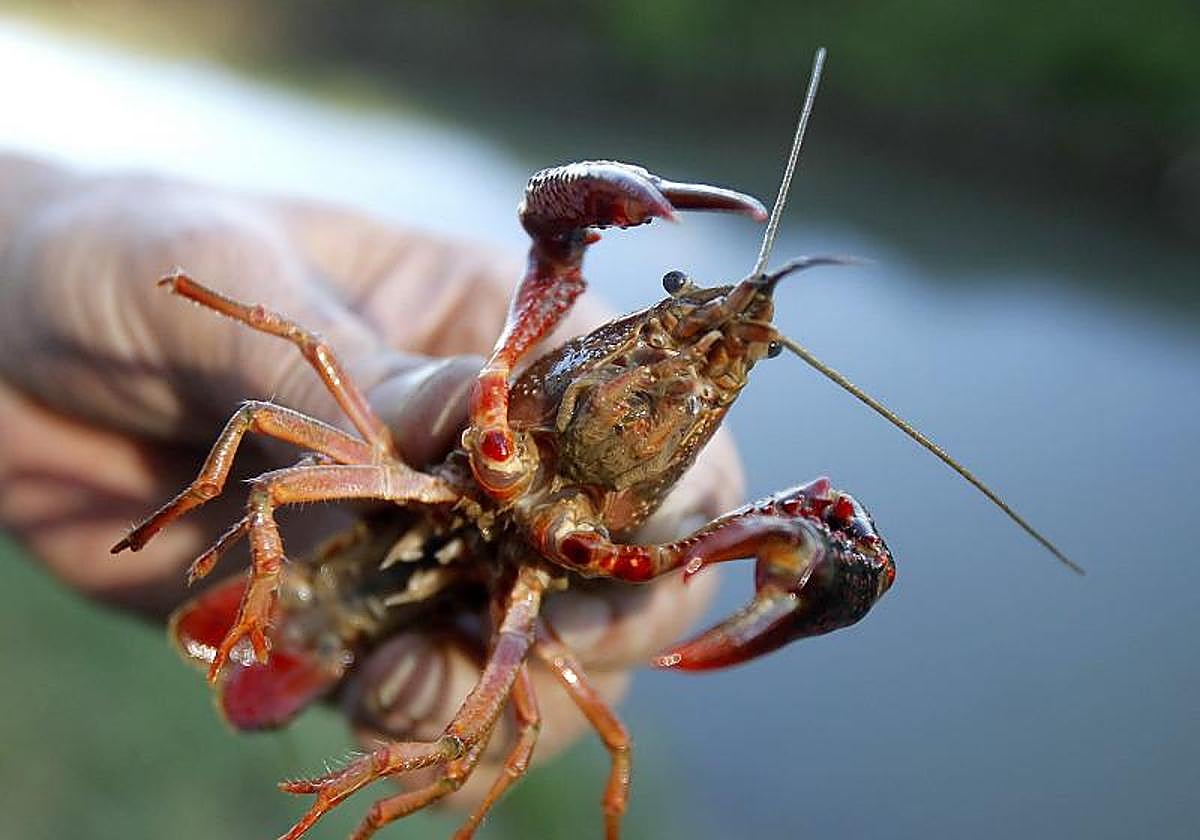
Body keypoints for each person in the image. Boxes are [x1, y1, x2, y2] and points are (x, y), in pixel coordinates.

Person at [0, 154, 744, 804]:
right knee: (273, 414)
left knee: (512, 732)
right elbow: (290, 364)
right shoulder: (498, 403)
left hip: (464, 601)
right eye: (676, 300)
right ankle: (267, 594)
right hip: (361, 523)